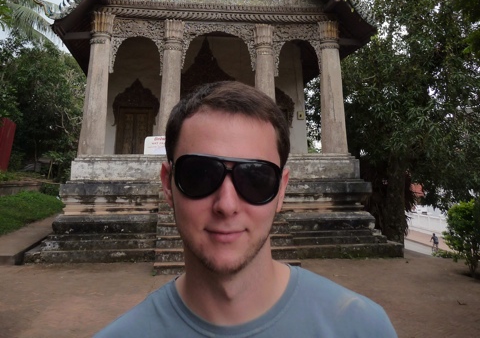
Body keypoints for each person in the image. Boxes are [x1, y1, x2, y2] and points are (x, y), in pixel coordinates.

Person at [95, 81, 398, 337]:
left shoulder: (362, 328)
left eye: (256, 178)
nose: (227, 205)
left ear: (281, 189)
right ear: (167, 184)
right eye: (199, 175)